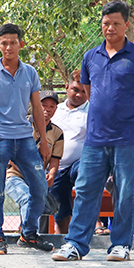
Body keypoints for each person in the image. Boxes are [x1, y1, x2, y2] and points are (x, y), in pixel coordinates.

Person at [53, 0, 134, 262]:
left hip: (128, 139)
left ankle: (120, 245)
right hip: (96, 139)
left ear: (127, 25)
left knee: (125, 192)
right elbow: (91, 94)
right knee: (87, 189)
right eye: (105, 24)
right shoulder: (90, 56)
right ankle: (75, 245)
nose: (109, 28)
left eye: (115, 23)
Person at [0, 23, 51, 255]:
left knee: (40, 186)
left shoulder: (30, 72)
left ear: (21, 44)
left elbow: (38, 110)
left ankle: (28, 234)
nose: (8, 47)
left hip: (25, 139)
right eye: (4, 43)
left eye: (13, 42)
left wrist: (44, 141)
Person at [5, 90, 64, 234]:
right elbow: (9, 156)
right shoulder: (20, 125)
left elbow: (55, 159)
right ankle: (29, 236)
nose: (47, 109)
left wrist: (51, 174)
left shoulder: (57, 133)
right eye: (44, 105)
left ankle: (31, 235)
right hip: (15, 176)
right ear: (35, 105)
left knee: (41, 203)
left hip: (39, 179)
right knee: (27, 198)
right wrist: (30, 173)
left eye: (52, 106)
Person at [48, 70, 89, 234]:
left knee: (85, 174)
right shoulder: (54, 110)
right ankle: (62, 238)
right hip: (56, 167)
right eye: (75, 90)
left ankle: (94, 222)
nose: (79, 95)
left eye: (84, 91)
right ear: (66, 87)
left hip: (79, 164)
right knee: (61, 209)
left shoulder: (92, 111)